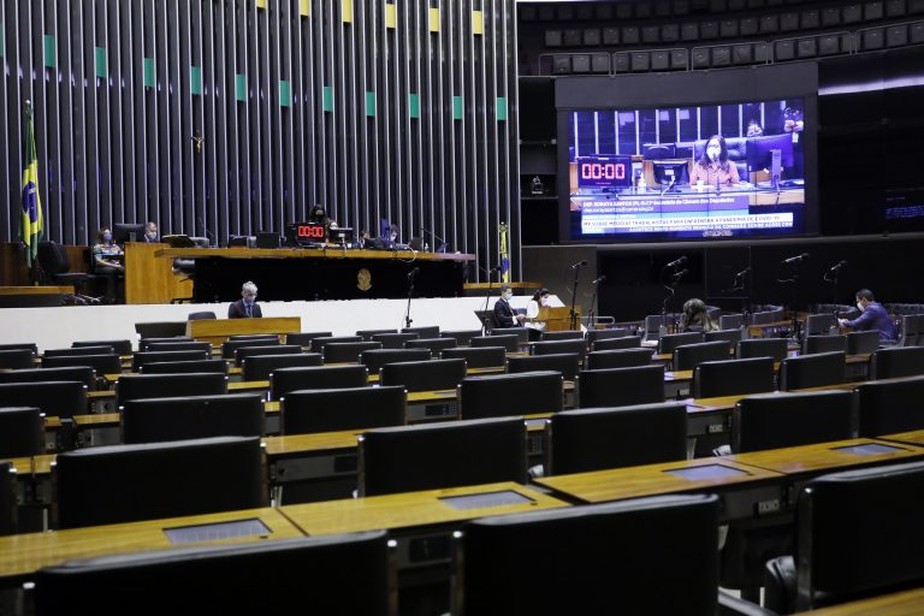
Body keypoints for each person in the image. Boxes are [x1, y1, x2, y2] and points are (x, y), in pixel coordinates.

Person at [91, 226, 124, 303]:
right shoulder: (98, 247)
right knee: (112, 270)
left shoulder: (115, 246)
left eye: (109, 233)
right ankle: (111, 297)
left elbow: (122, 254)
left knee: (126, 270)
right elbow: (98, 261)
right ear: (101, 235)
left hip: (116, 266)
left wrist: (118, 260)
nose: (108, 235)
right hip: (102, 267)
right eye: (106, 233)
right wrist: (114, 265)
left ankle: (125, 295)